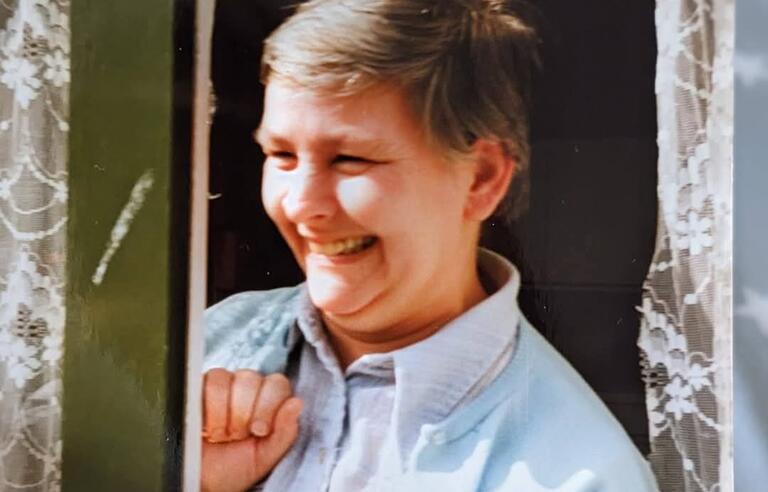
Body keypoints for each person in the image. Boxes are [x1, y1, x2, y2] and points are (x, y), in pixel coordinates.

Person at [201, 0, 659, 491]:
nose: (301, 204)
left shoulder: (578, 475)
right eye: (281, 155)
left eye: (351, 159)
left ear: (481, 178)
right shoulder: (209, 343)